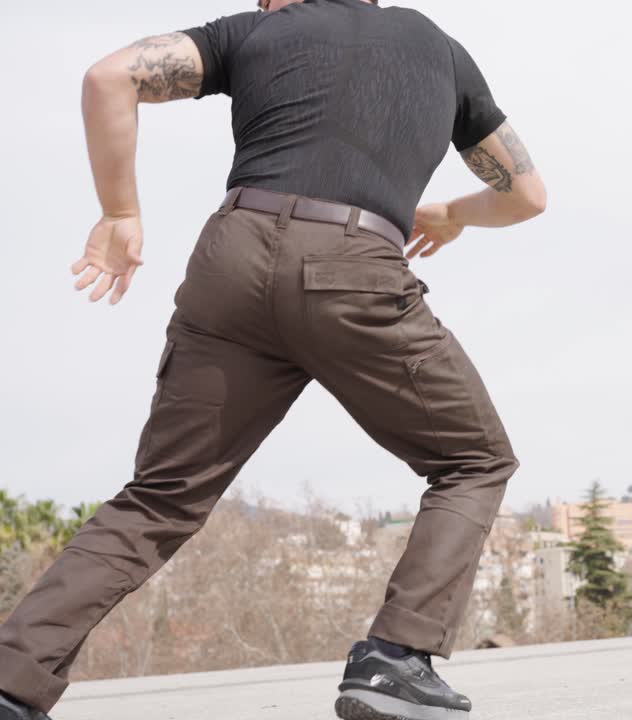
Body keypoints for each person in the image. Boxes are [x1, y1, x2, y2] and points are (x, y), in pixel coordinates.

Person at [0, 0, 545, 718]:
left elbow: (109, 78)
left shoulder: (257, 30)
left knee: (161, 496)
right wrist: (452, 214)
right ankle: (395, 660)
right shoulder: (436, 48)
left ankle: (12, 676)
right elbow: (528, 194)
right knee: (475, 459)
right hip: (354, 264)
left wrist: (121, 211)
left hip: (232, 258)